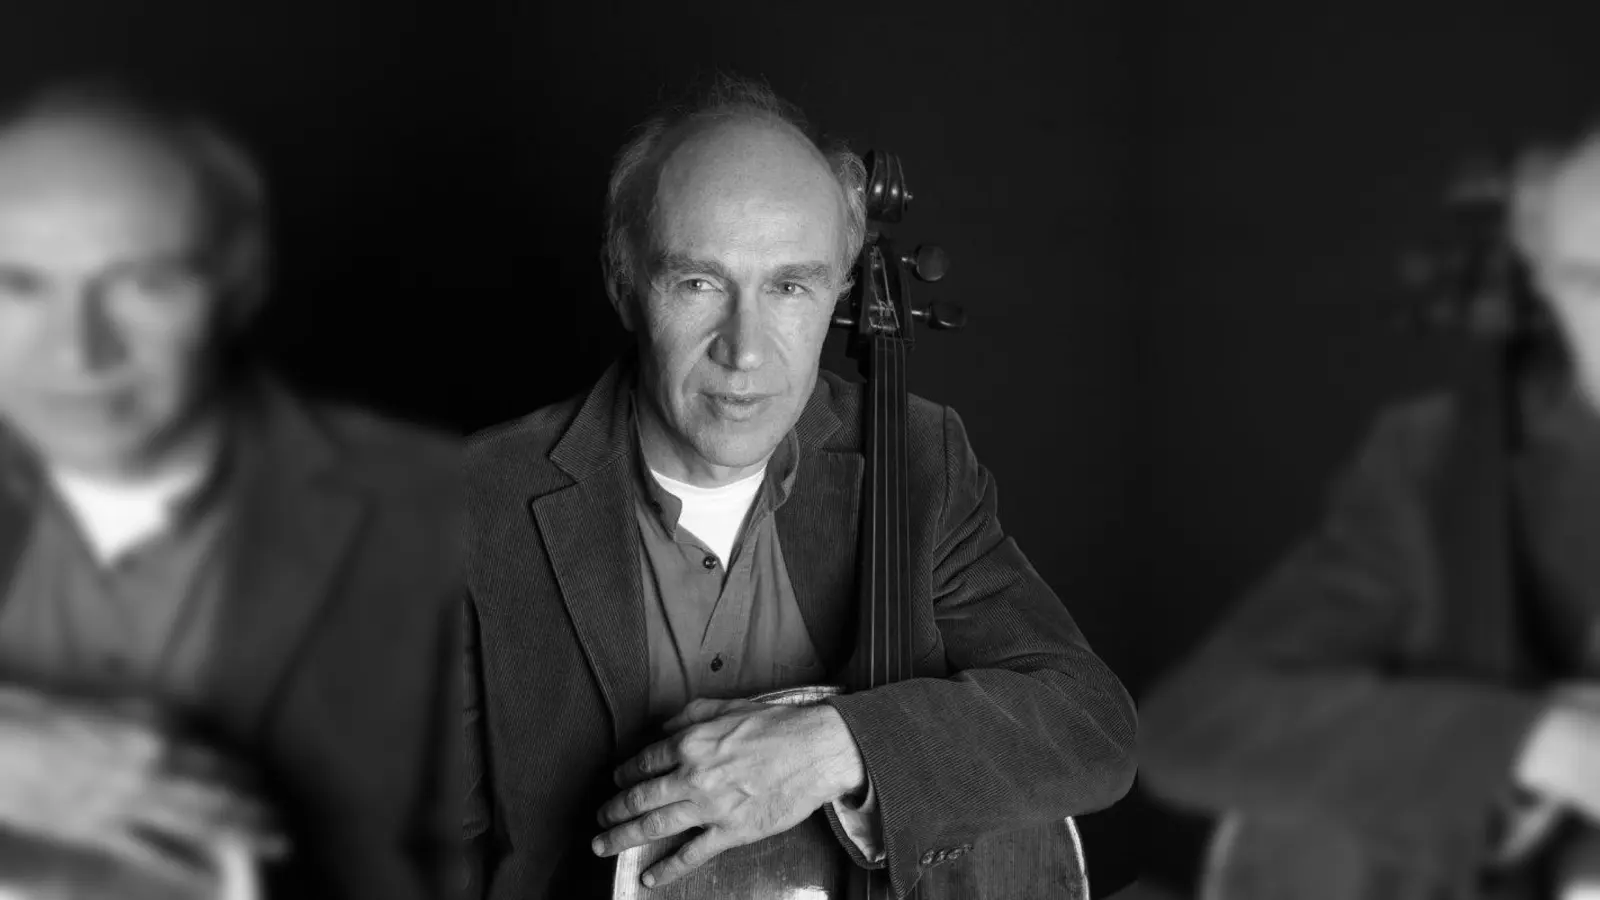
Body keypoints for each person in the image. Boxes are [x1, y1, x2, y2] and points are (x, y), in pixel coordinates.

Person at [461, 74, 1138, 899]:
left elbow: (1092, 724)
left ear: (841, 294)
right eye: (699, 282)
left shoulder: (920, 461)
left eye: (790, 286)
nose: (744, 351)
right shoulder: (473, 507)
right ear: (624, 282)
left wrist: (839, 744)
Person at [0, 79, 459, 899]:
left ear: (239, 281)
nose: (79, 352)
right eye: (18, 285)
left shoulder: (460, 520)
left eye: (145, 282)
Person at [1138, 126, 1600, 899]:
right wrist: (1545, 742)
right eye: (1592, 281)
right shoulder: (1436, 461)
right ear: (1542, 279)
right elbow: (1191, 729)